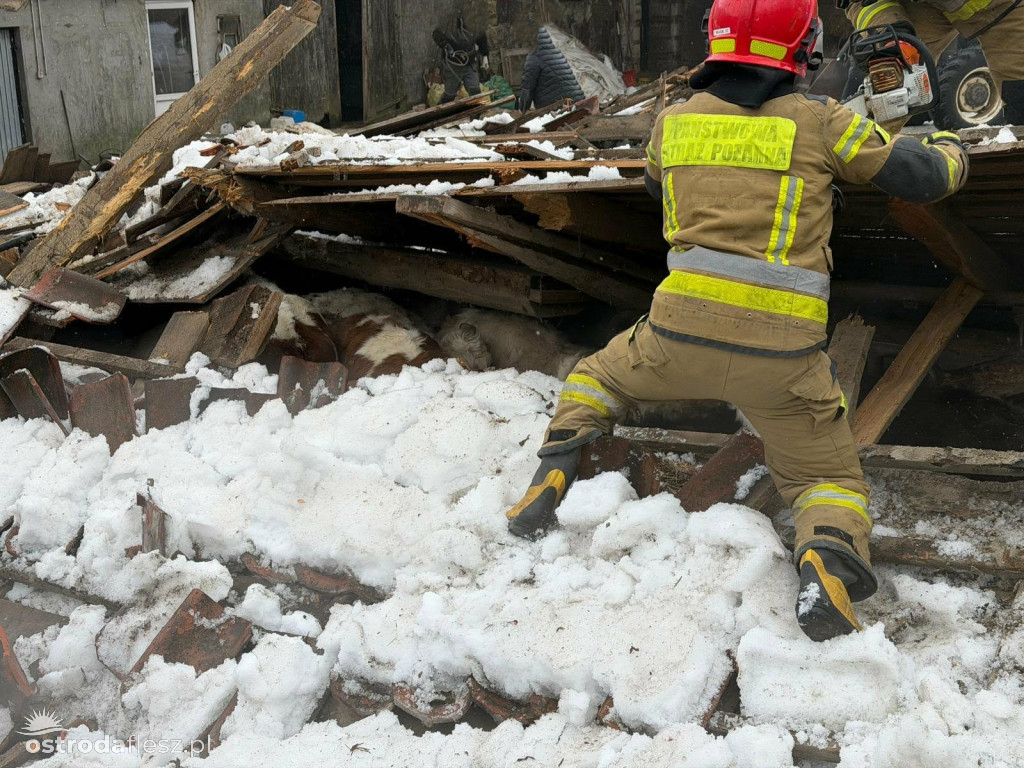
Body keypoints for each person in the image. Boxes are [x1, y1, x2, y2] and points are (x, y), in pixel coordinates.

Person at [503, 0, 969, 642]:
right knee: (826, 478)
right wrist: (942, 132)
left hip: (673, 341)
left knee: (595, 379)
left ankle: (552, 469)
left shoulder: (673, 122)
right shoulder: (822, 121)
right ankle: (827, 569)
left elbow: (657, 190)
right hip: (782, 365)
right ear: (803, 48)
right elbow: (928, 176)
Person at [843, 0, 1023, 115]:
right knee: (893, 77)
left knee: (1018, 91)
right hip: (921, 8)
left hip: (998, 4)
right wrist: (890, 32)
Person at [519, 26, 586, 111]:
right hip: (578, 102)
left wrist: (522, 111)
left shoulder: (534, 56)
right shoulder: (556, 52)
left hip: (558, 108)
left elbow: (527, 88)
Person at [432, 15, 490, 104]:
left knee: (475, 93)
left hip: (469, 63)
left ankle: (475, 117)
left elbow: (481, 35)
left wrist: (485, 55)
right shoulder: (448, 18)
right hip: (453, 64)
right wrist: (446, 45)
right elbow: (436, 33)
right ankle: (438, 115)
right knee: (449, 95)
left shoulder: (473, 17)